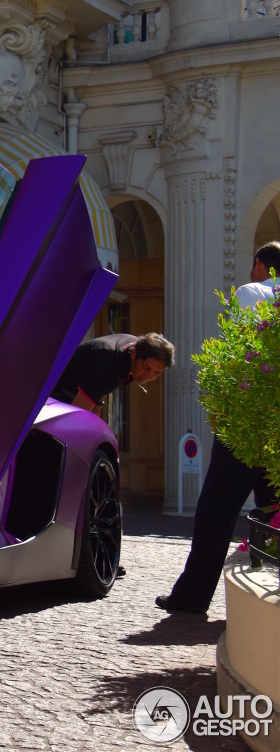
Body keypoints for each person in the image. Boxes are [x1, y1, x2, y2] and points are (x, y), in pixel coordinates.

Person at [158, 241, 280, 613]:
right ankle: (266, 588)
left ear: (260, 264)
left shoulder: (253, 292)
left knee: (217, 508)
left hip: (247, 419)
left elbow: (242, 347)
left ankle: (192, 596)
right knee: (272, 505)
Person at [50, 332, 176, 412]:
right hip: (51, 393)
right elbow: (76, 415)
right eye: (147, 368)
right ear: (134, 354)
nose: (149, 377)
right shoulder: (111, 365)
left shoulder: (134, 348)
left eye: (157, 373)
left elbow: (100, 391)